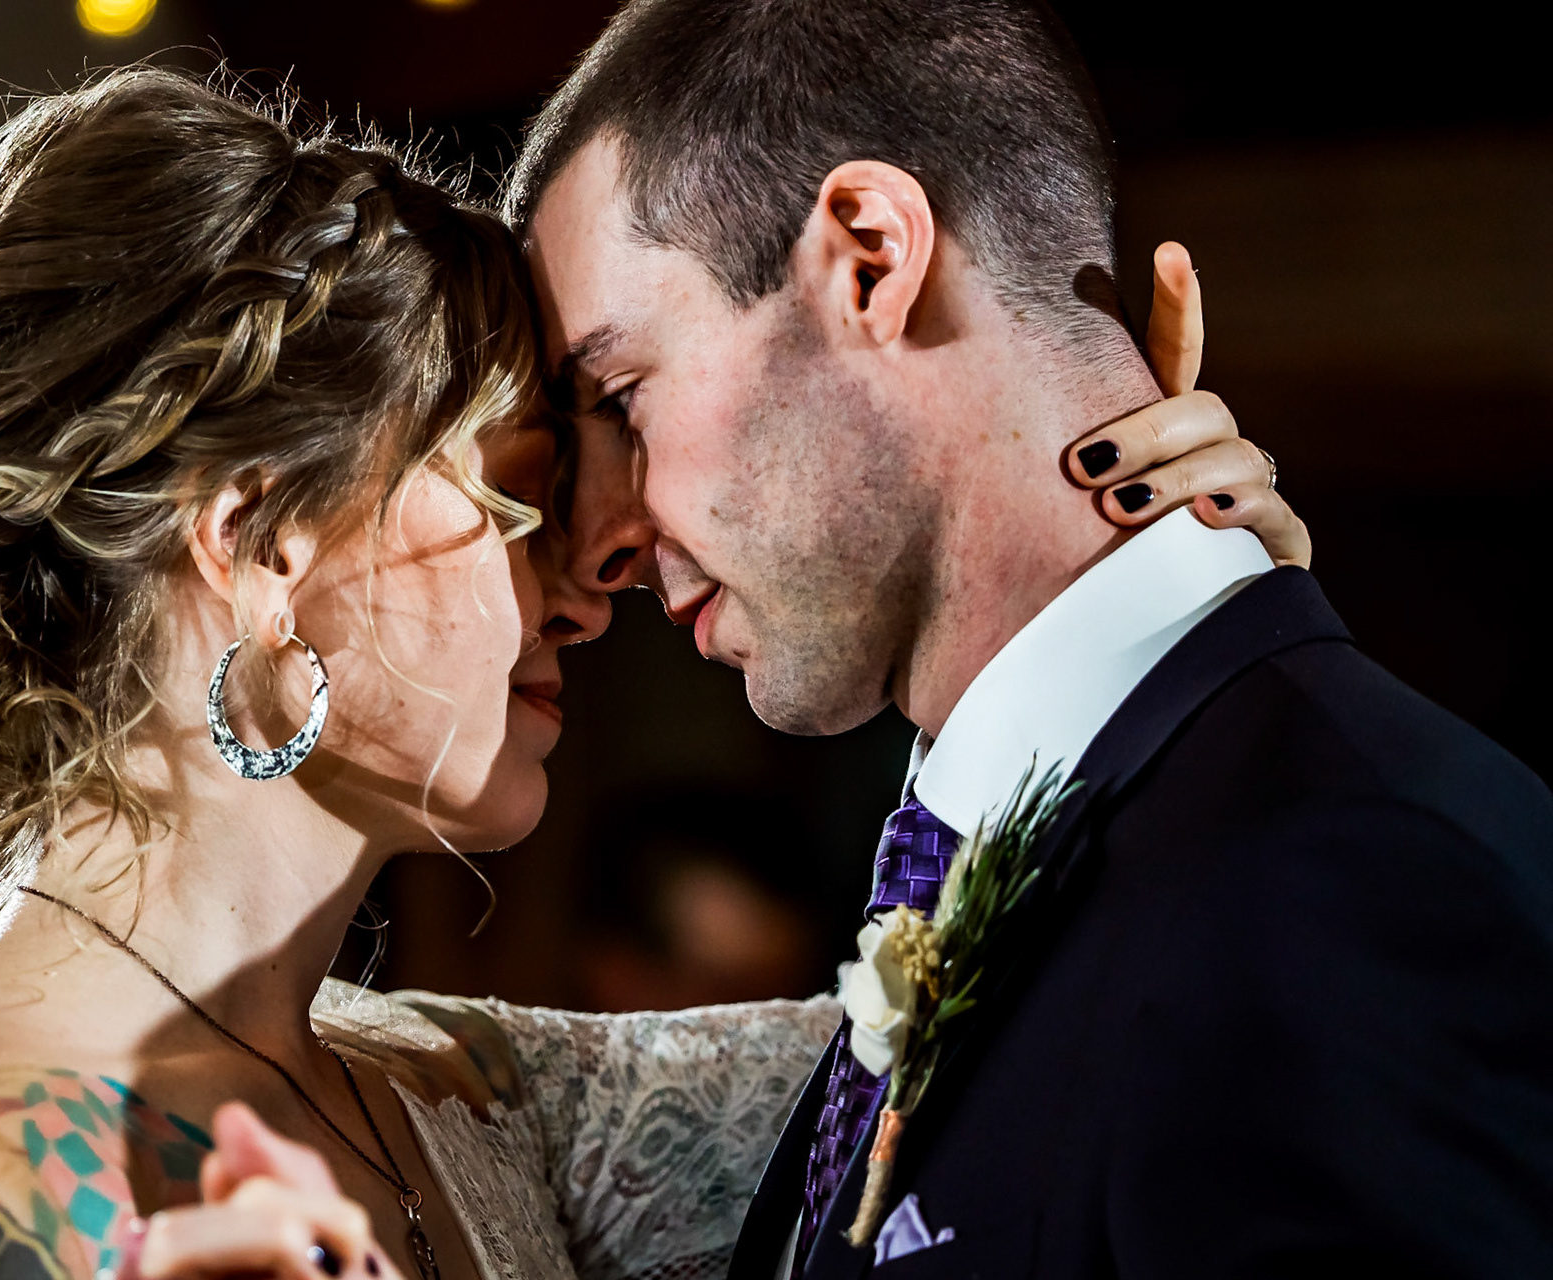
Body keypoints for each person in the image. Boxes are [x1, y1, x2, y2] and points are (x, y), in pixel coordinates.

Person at [0, 67, 1303, 1280]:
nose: (602, 566)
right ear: (264, 537)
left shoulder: (457, 1098)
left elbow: (1056, 1052)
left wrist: (1174, 614)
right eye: (527, 486)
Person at [498, 1, 1553, 1277]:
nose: (596, 538)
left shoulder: (1349, 871)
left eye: (621, 397)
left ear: (873, 259)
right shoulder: (1023, 846)